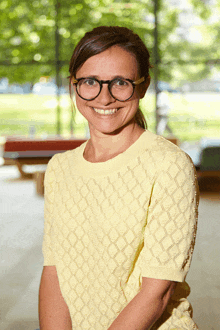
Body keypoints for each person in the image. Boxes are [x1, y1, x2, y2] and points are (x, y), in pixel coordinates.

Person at [39, 26, 199, 330]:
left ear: (143, 86)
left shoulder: (170, 165)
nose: (105, 97)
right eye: (90, 82)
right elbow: (54, 272)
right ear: (74, 85)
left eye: (120, 83)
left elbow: (157, 292)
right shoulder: (59, 168)